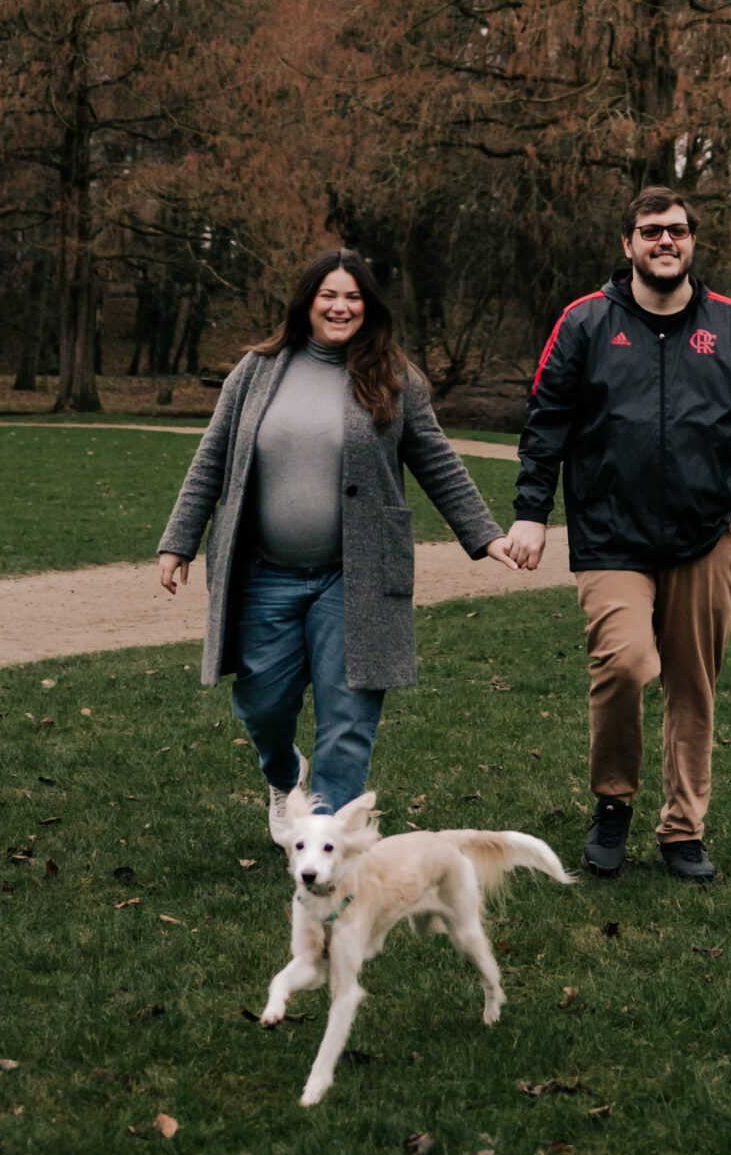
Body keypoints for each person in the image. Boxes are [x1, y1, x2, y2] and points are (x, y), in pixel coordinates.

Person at [158, 249, 520, 829]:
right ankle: (283, 776)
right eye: (329, 294)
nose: (340, 306)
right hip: (265, 574)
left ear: (368, 307)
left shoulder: (395, 378)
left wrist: (486, 535)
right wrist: (179, 539)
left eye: (353, 296)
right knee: (262, 705)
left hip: (357, 578)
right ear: (307, 302)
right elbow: (211, 457)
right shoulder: (255, 370)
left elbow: (439, 463)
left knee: (348, 717)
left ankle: (325, 840)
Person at [503, 188, 731, 881]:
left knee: (693, 686)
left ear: (692, 242)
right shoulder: (584, 323)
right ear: (626, 243)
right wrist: (530, 512)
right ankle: (612, 806)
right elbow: (546, 423)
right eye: (651, 231)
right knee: (626, 665)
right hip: (611, 535)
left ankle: (682, 830)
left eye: (678, 231)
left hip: (708, 536)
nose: (667, 241)